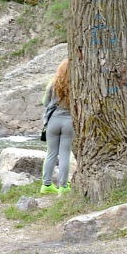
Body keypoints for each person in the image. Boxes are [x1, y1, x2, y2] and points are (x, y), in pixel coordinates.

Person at [40, 59, 72, 192]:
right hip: (69, 121)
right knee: (65, 153)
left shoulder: (53, 84)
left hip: (53, 120)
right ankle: (63, 186)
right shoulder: (77, 85)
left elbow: (45, 102)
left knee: (51, 153)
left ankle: (46, 185)